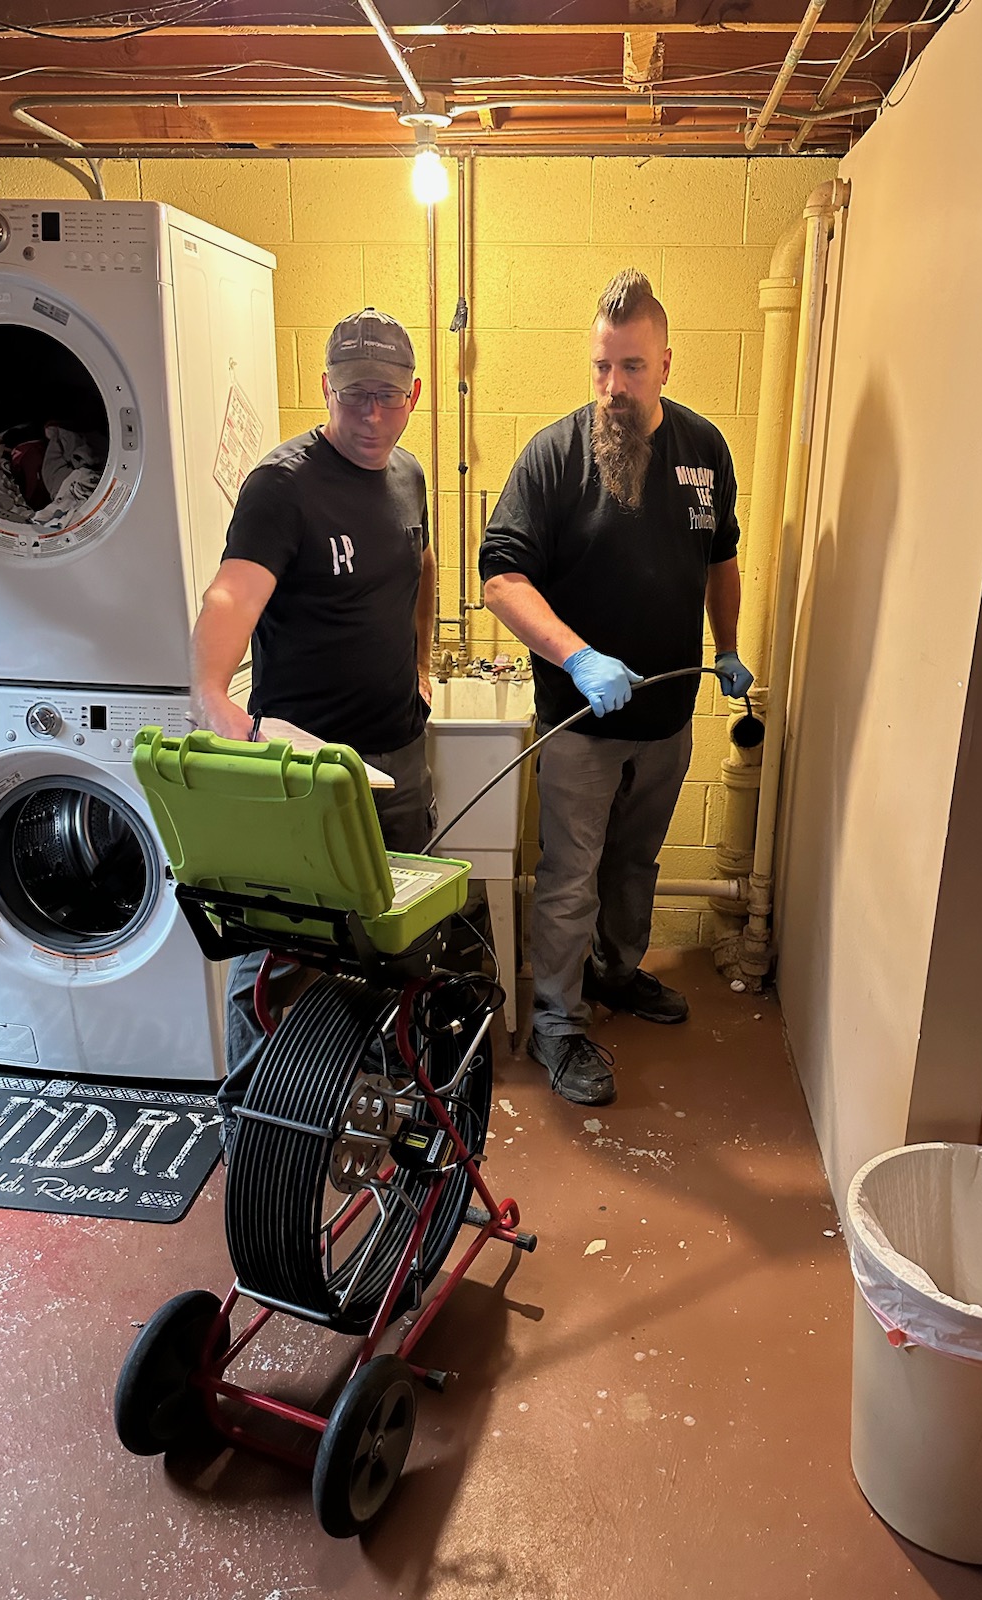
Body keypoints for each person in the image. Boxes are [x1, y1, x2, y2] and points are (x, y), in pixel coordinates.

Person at [479, 270, 753, 1108]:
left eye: (631, 368)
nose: (613, 389)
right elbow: (501, 578)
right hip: (580, 724)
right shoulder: (555, 456)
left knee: (636, 862)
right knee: (571, 875)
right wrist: (579, 658)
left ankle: (617, 974)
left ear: (666, 364)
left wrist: (731, 647)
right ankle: (559, 1020)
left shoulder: (704, 450)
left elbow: (722, 559)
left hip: (668, 718)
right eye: (601, 367)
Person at [189, 306, 438, 1134]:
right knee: (272, 951)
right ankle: (250, 1133)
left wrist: (425, 664)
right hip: (302, 775)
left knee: (392, 940)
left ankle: (382, 1108)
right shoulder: (283, 485)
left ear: (413, 396)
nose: (372, 416)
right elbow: (231, 591)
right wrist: (213, 694)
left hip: (399, 756)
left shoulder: (408, 475)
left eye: (390, 397)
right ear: (326, 389)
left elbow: (421, 564)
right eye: (356, 395)